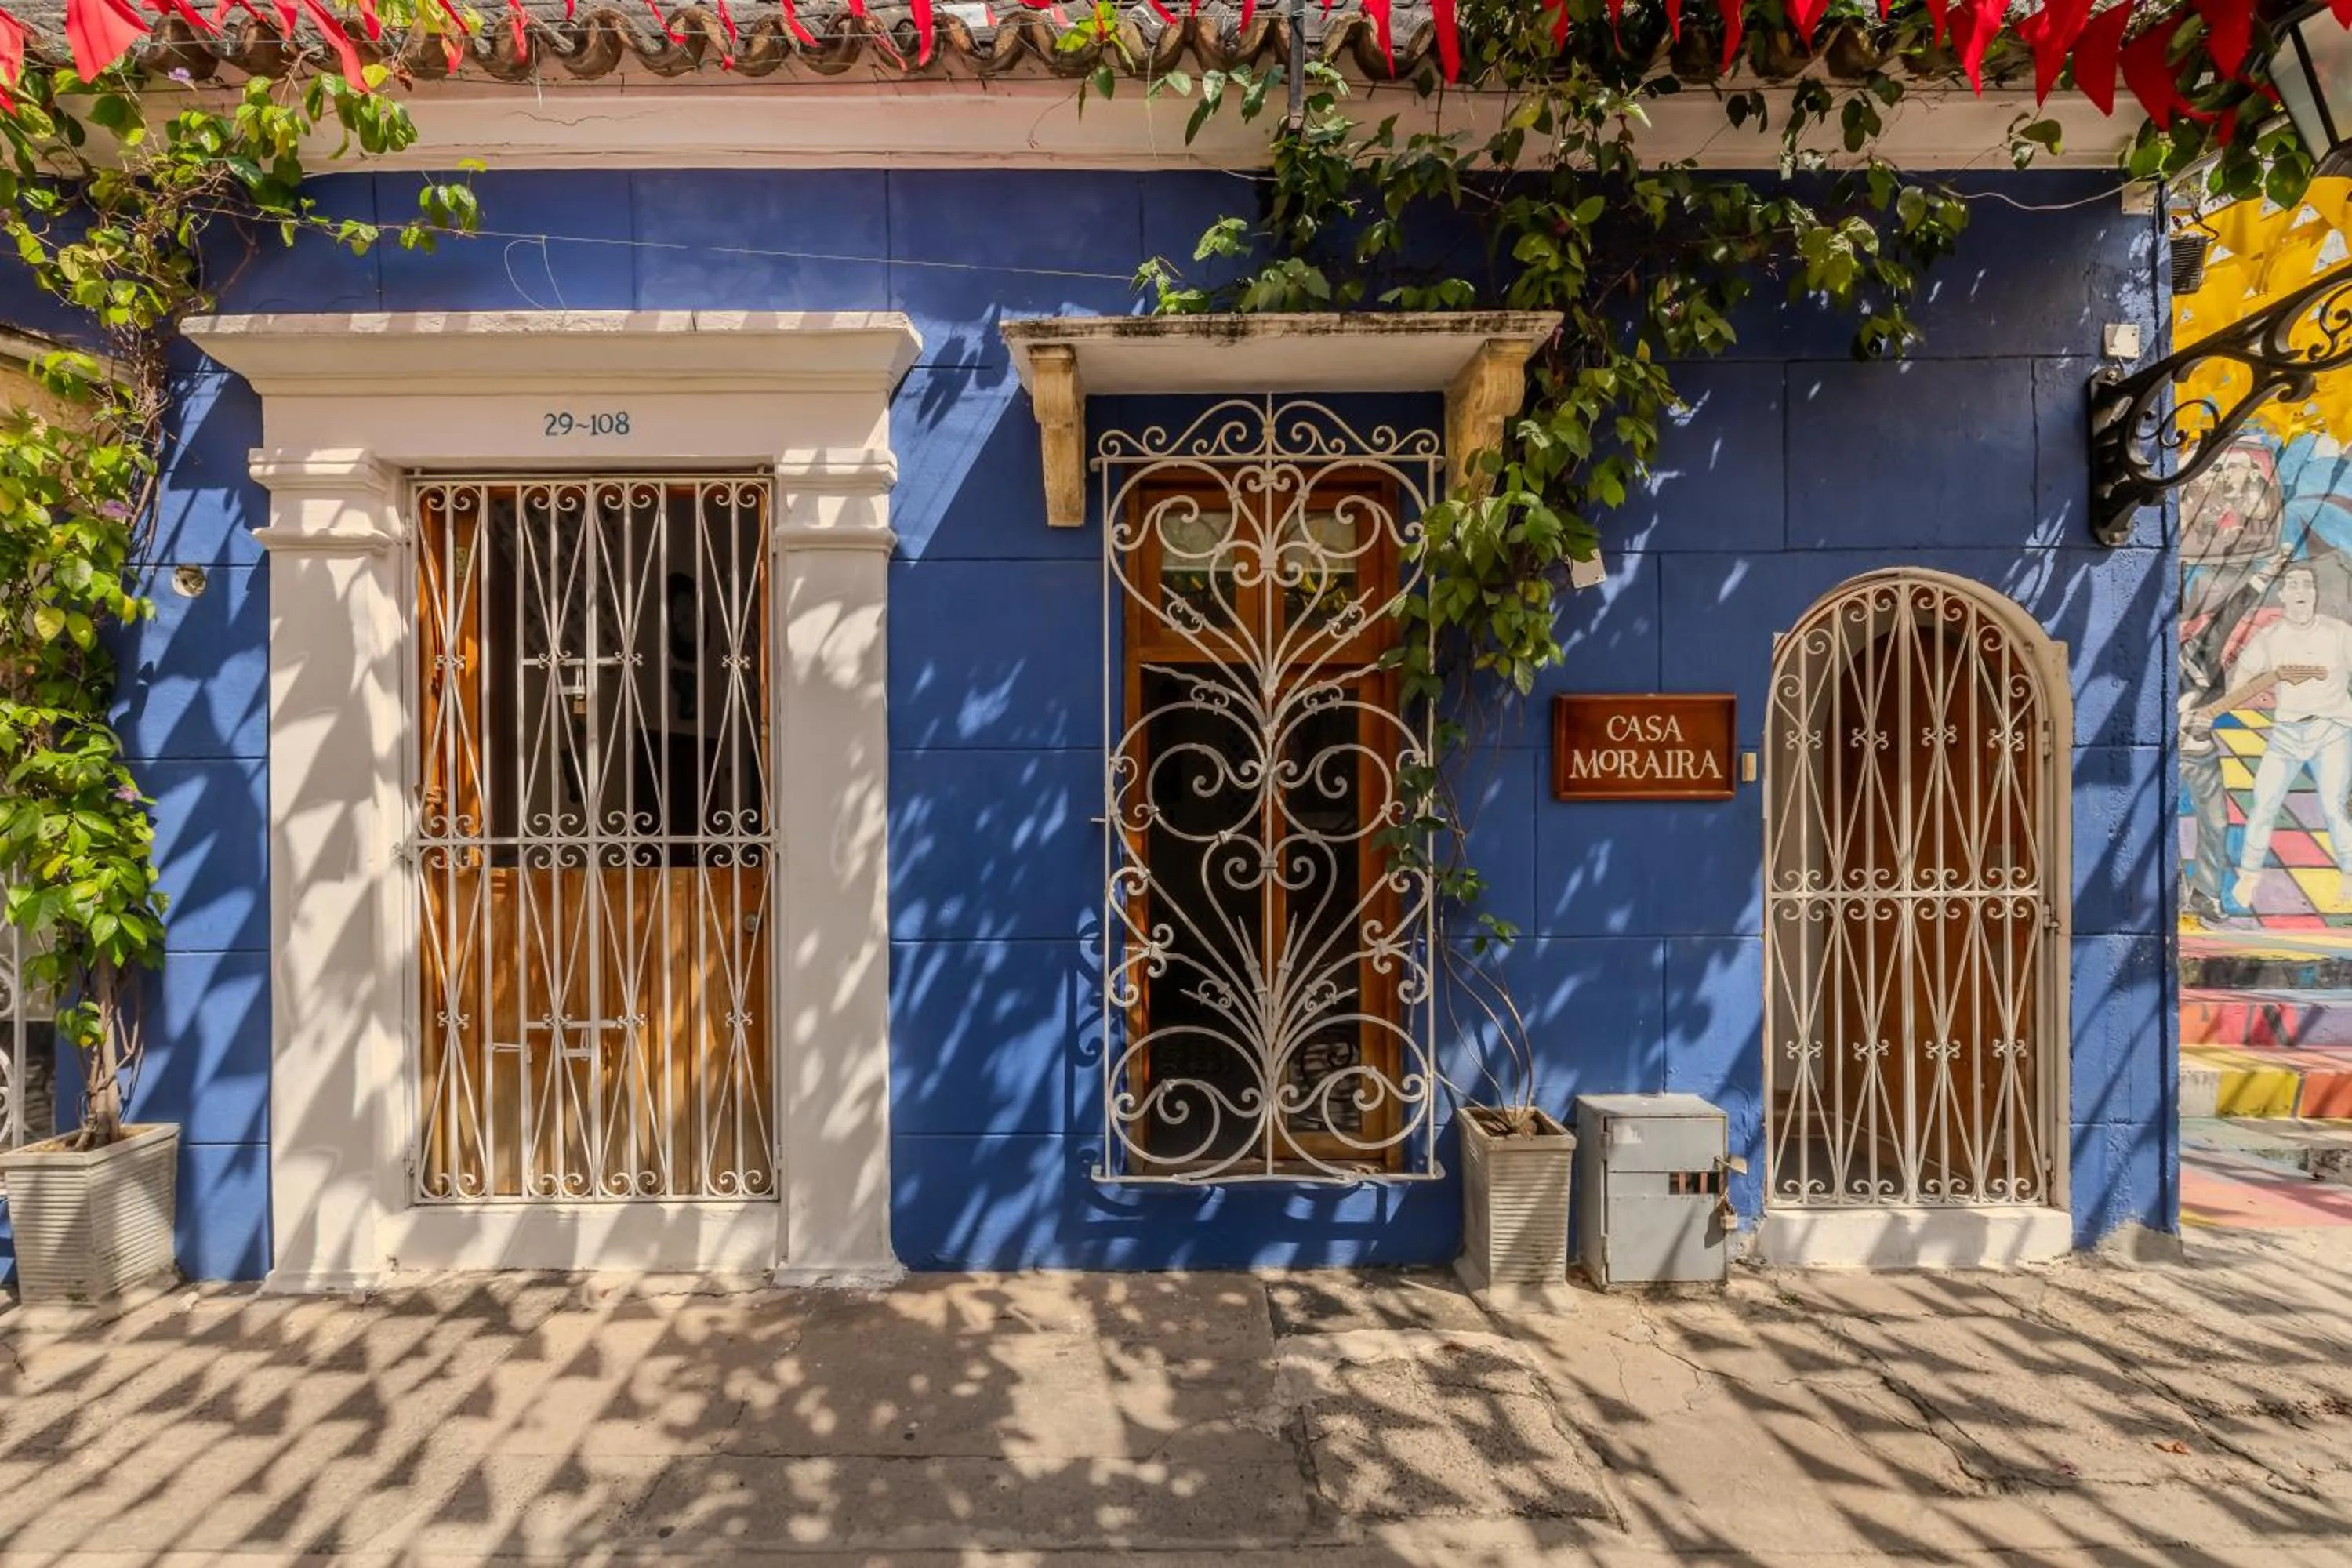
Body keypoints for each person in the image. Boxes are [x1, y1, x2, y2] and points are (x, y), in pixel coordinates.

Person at [2205, 562, 2352, 913]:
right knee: (2263, 804)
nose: (2302, 592)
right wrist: (2275, 677)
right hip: (2286, 733)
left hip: (2332, 729)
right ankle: (2249, 877)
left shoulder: (2340, 633)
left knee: (2334, 807)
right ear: (2283, 595)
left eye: (2308, 586)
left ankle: (2349, 873)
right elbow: (2239, 685)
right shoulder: (2270, 638)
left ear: (2316, 594)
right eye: (2295, 585)